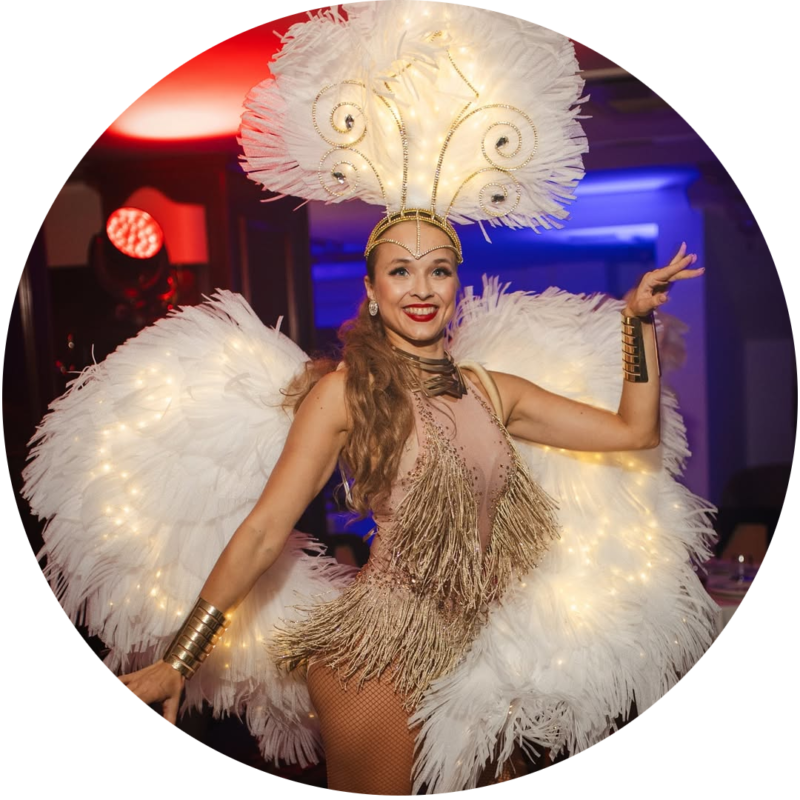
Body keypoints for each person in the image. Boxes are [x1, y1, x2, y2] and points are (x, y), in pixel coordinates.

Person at [23, 3, 717, 795]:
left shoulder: (493, 391)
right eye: (401, 271)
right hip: (380, 659)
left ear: (456, 284)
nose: (421, 288)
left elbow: (632, 432)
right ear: (373, 288)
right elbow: (262, 532)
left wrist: (635, 323)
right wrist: (179, 660)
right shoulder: (342, 395)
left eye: (438, 270)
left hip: (494, 654)